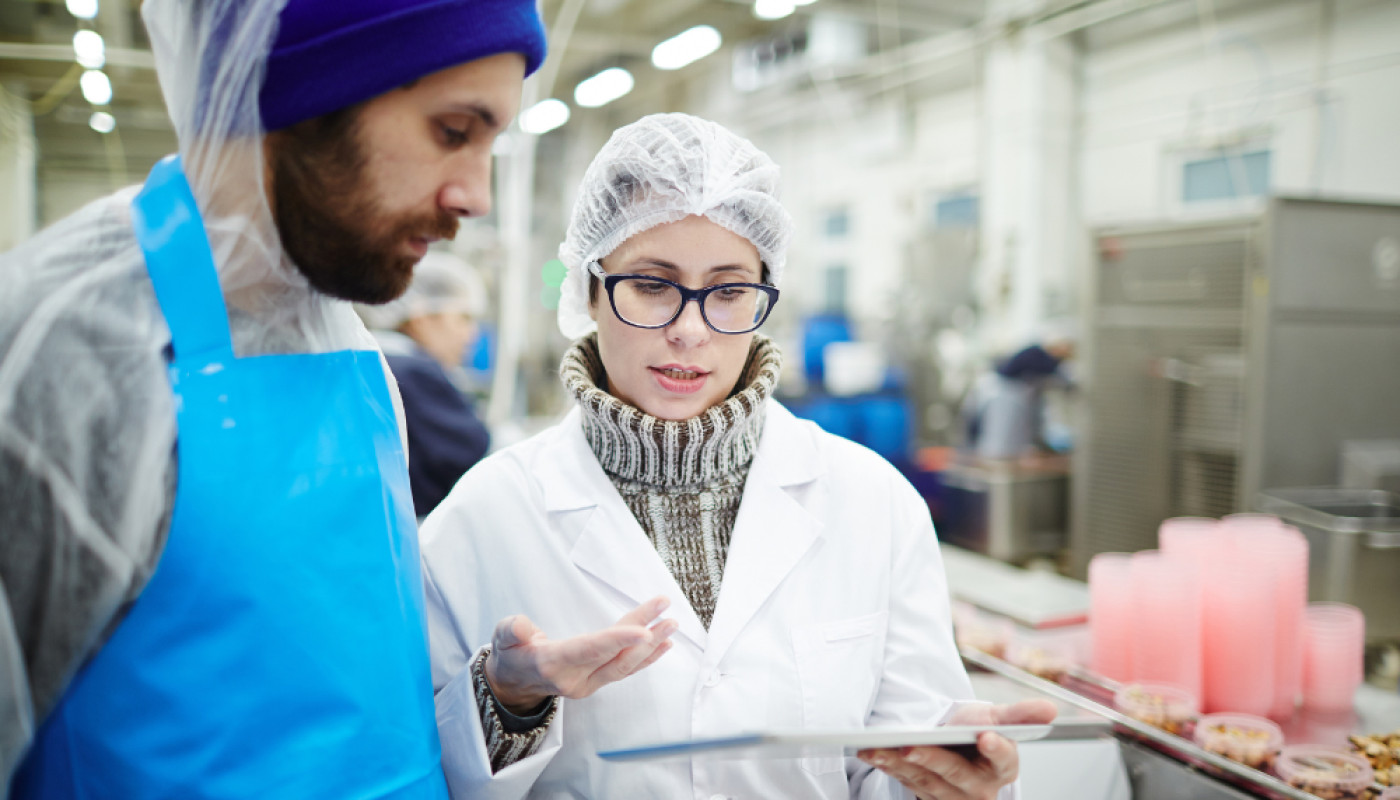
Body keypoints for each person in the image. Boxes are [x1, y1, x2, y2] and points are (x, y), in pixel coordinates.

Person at [0, 0, 553, 796]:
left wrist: (502, 696)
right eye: (454, 131)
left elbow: (358, 714)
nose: (477, 195)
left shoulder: (347, 347)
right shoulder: (70, 351)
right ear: (311, 92)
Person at [420, 113, 1056, 799]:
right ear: (589, 289)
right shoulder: (486, 514)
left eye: (728, 292)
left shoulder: (871, 500)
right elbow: (415, 770)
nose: (690, 330)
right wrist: (508, 700)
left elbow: (897, 759)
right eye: (653, 285)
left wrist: (952, 783)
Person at [359, 252, 492, 517]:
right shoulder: (412, 372)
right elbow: (474, 452)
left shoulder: (371, 361)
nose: (472, 334)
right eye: (462, 318)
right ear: (422, 316)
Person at [961, 336, 1075, 461]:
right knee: (1000, 446)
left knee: (1006, 444)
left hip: (1007, 396)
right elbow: (1059, 377)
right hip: (1005, 395)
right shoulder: (1037, 354)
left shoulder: (1044, 362)